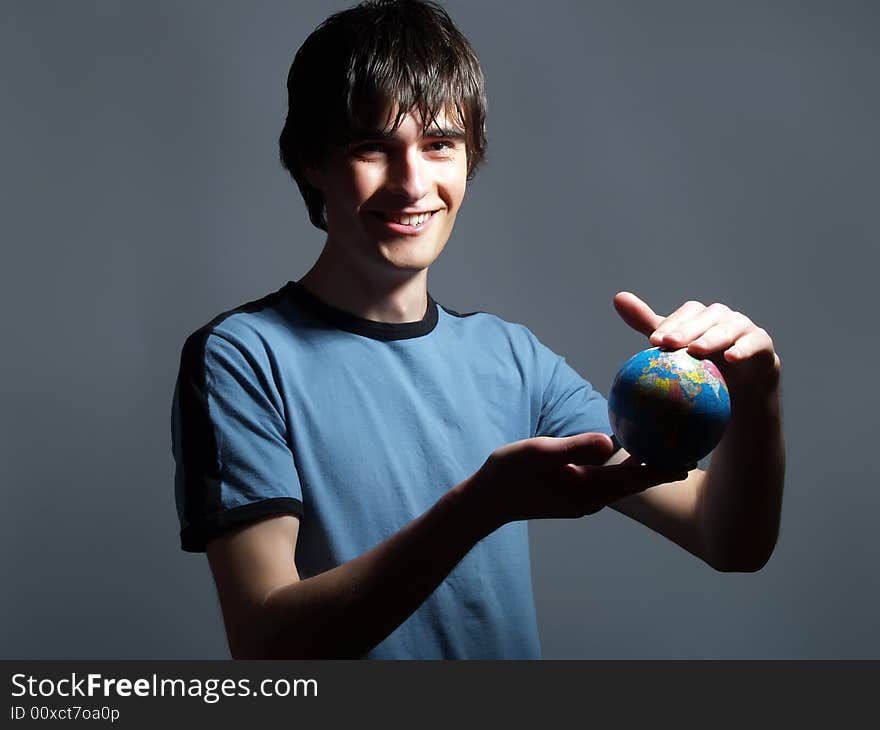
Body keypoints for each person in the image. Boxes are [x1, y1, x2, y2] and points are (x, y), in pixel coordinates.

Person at [171, 0, 784, 659]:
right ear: (313, 162)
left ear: (470, 158)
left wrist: (757, 396)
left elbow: (729, 542)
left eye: (439, 145)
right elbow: (267, 642)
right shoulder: (240, 358)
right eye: (371, 147)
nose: (412, 183)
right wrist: (478, 508)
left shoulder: (512, 360)